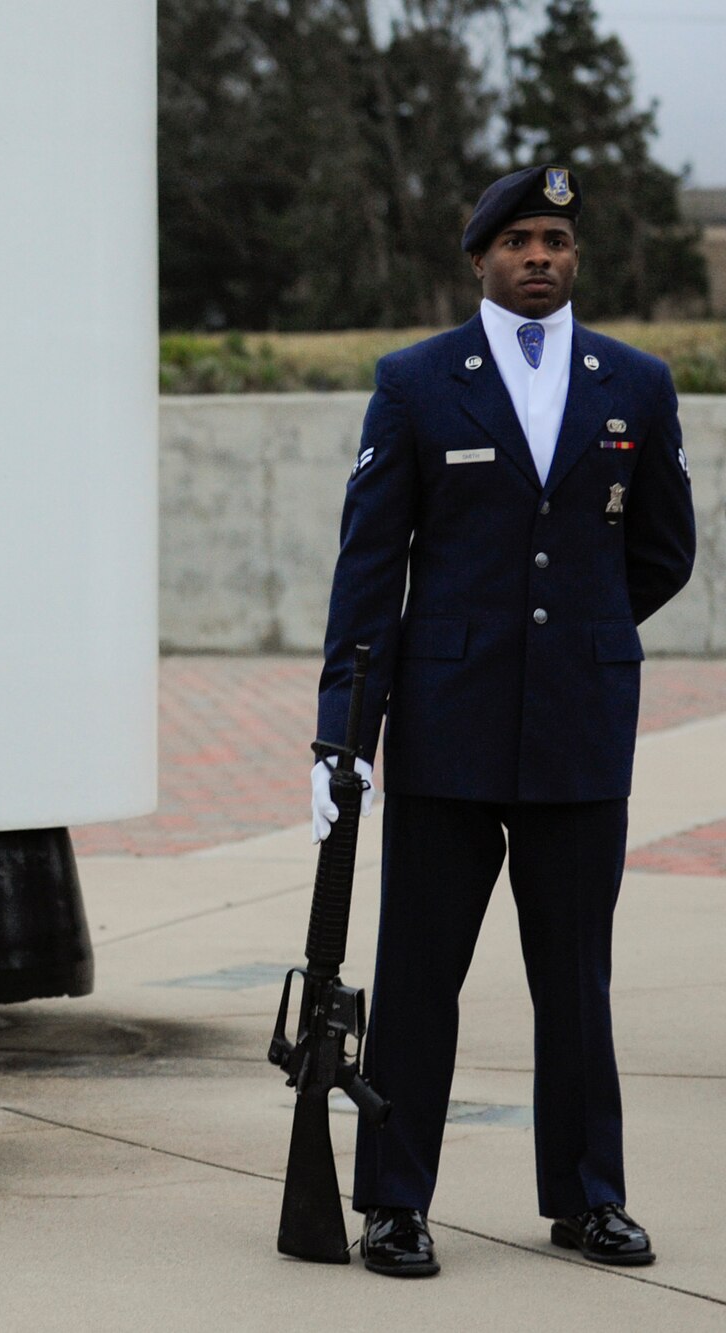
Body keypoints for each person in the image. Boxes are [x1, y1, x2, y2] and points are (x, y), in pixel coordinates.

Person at [310, 166, 695, 1277]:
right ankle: (393, 1201)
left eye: (556, 240)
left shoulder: (634, 380)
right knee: (419, 976)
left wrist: (574, 633)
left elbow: (663, 549)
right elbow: (368, 568)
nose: (539, 257)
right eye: (518, 239)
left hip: (576, 725)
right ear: (476, 256)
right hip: (444, 727)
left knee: (574, 977)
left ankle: (587, 1196)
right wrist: (342, 733)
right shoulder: (416, 382)